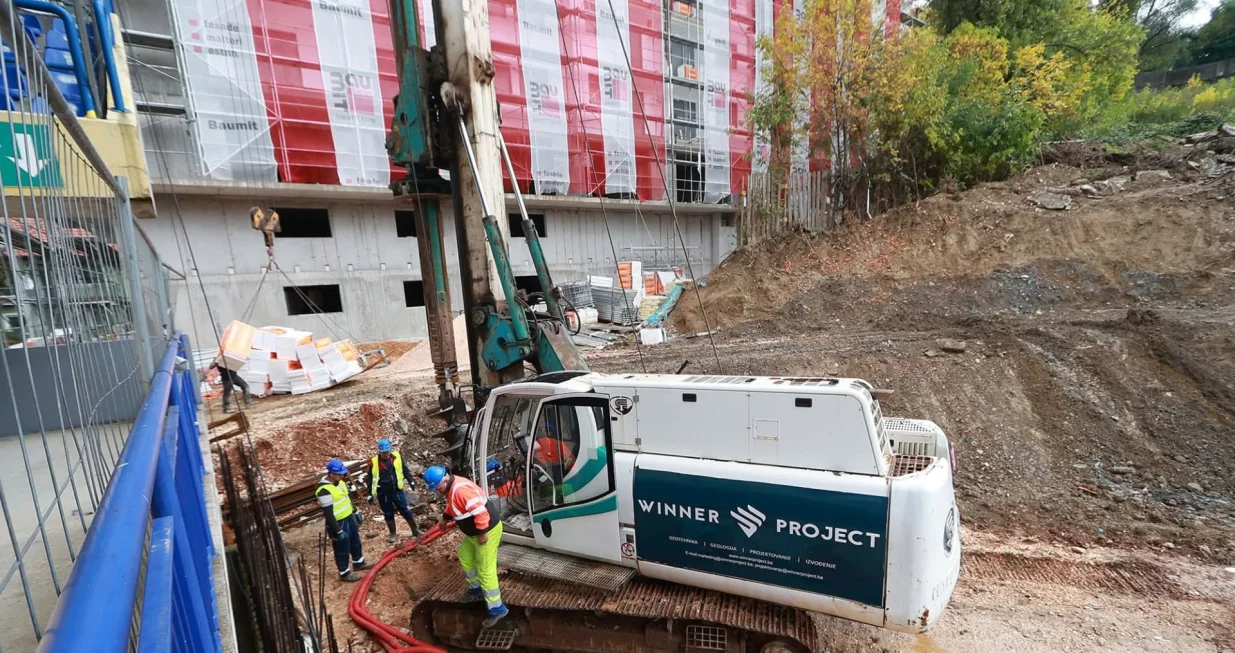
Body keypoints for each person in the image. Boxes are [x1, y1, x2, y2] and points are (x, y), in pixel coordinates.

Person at [425, 465, 508, 627]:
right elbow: (454, 505)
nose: (436, 491)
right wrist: (445, 518)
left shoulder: (460, 490)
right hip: (473, 534)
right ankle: (476, 589)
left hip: (486, 531)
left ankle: (497, 609)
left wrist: (483, 533)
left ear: (444, 481)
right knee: (465, 556)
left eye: (436, 487)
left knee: (485, 570)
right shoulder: (452, 487)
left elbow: (480, 512)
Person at [317, 458, 370, 582]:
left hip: (348, 517)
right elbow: (328, 514)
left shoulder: (340, 482)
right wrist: (338, 531)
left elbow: (347, 498)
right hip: (338, 522)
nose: (342, 475)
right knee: (341, 547)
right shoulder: (323, 491)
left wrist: (354, 510)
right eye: (339, 474)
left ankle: (358, 562)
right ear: (331, 474)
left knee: (355, 541)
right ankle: (344, 573)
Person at [367, 438, 422, 543]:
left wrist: (411, 481)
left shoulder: (396, 457)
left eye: (388, 451)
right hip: (383, 493)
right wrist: (369, 494)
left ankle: (415, 530)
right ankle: (392, 534)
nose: (387, 454)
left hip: (397, 491)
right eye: (384, 452)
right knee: (388, 513)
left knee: (405, 510)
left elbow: (405, 469)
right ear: (379, 451)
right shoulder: (374, 463)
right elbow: (370, 479)